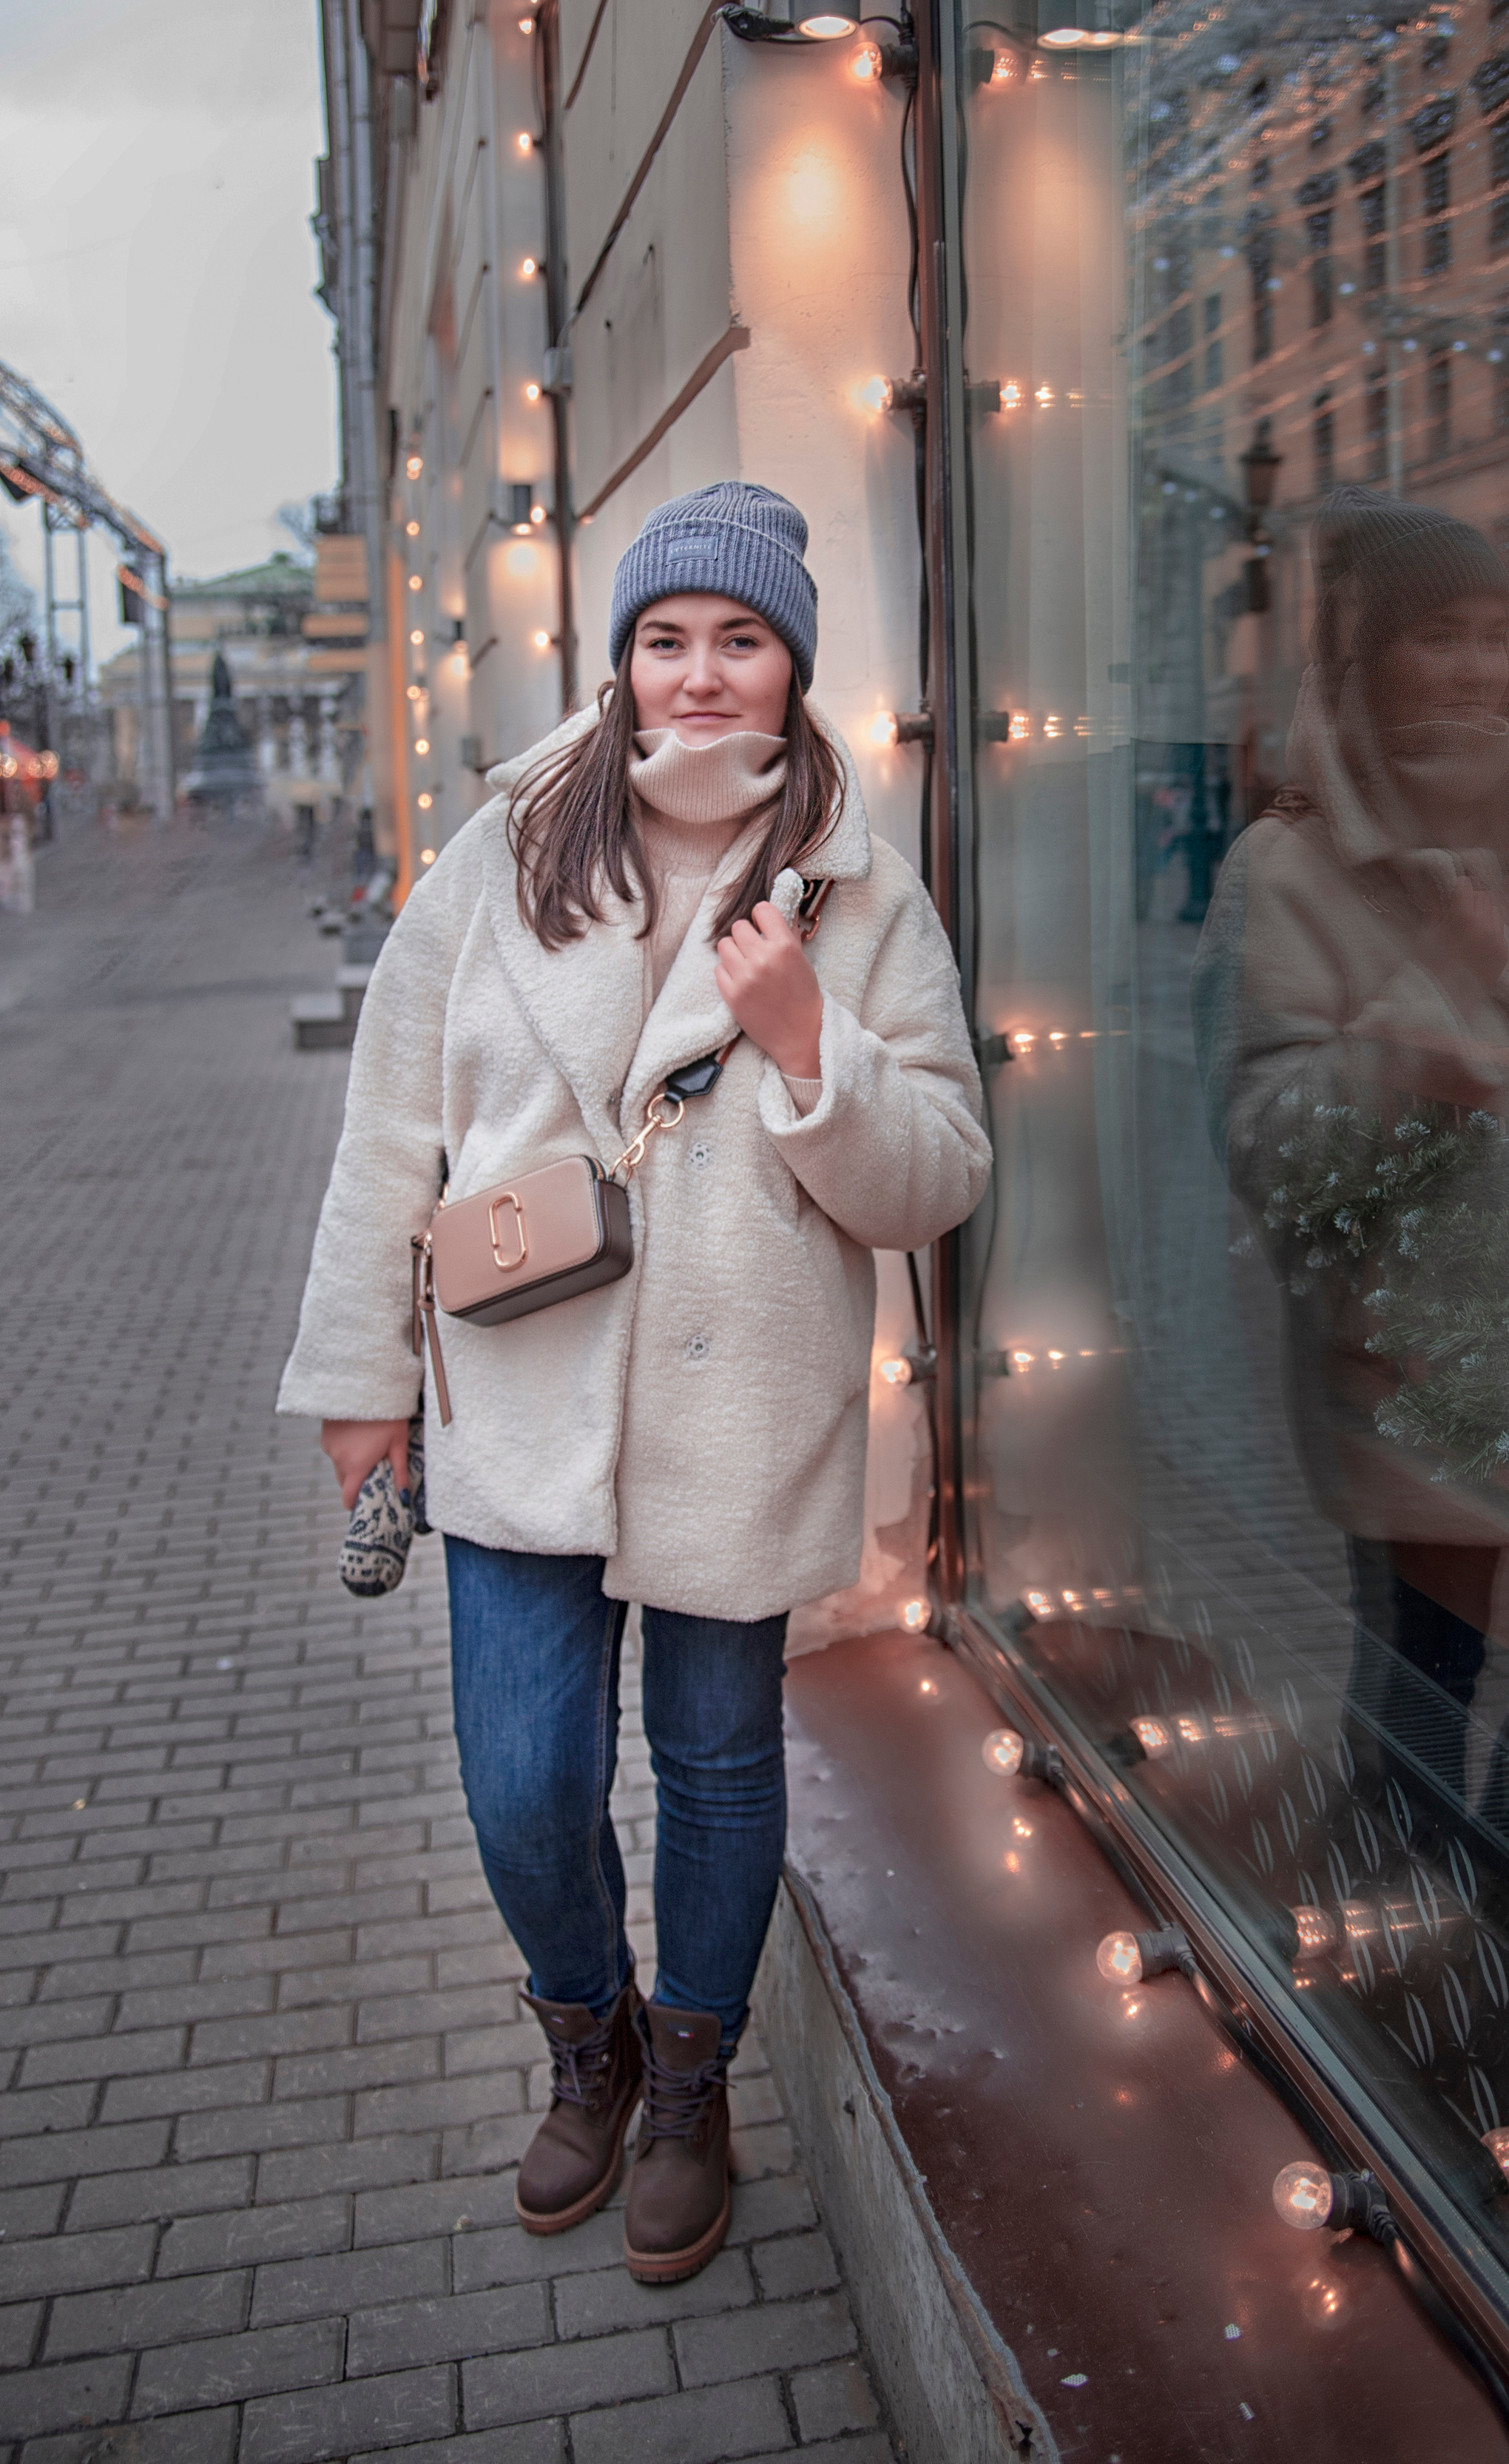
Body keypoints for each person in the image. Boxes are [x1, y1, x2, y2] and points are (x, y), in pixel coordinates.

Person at [279, 480, 989, 2284]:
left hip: (740, 1411)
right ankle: (579, 2043)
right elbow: (391, 1136)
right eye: (665, 639)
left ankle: (689, 2085)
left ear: (790, 669)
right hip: (518, 1394)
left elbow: (938, 1180)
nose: (696, 674)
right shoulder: (503, 849)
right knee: (520, 1781)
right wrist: (361, 1377)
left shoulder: (857, 887)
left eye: (736, 641)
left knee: (716, 1760)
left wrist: (807, 1041)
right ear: (621, 661)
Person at [1192, 490, 1509, 1902]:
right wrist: (1430, 1028)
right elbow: (1262, 1141)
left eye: (1497, 636)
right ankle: (1389, 1956)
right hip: (1429, 1353)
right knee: (1427, 1681)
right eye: (1443, 637)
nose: (1480, 669)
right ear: (1363, 660)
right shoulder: (1287, 871)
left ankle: (1496, 1894)